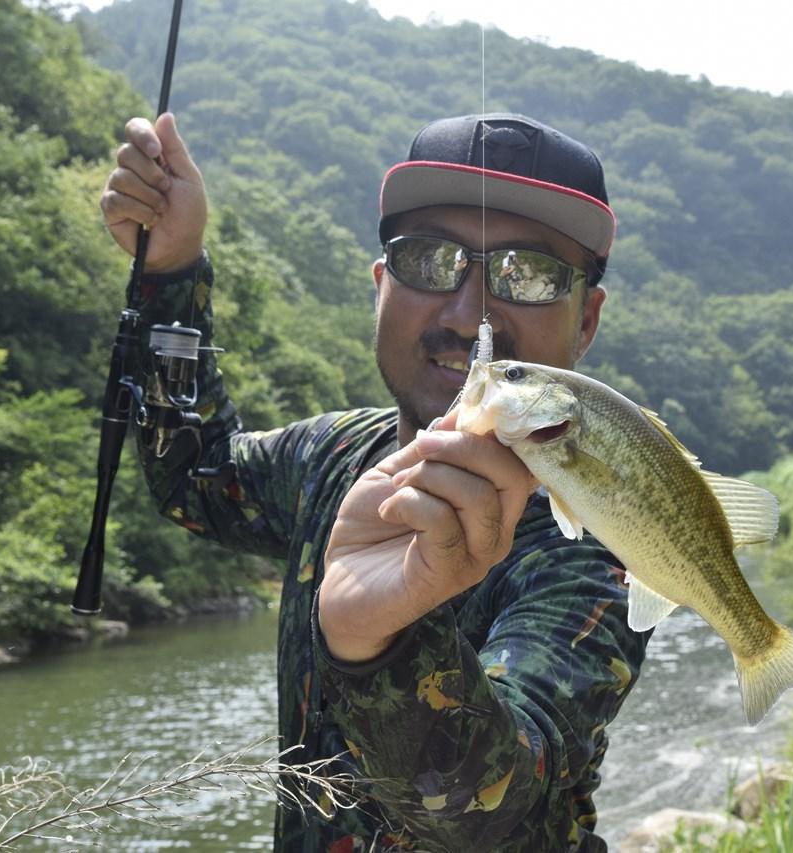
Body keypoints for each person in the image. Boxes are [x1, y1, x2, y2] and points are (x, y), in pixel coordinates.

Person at [100, 112, 651, 852]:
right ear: (379, 286)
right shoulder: (329, 453)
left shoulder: (597, 541)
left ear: (585, 321)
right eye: (428, 260)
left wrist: (375, 643)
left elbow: (491, 803)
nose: (469, 315)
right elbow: (195, 477)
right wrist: (170, 273)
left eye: (528, 273)